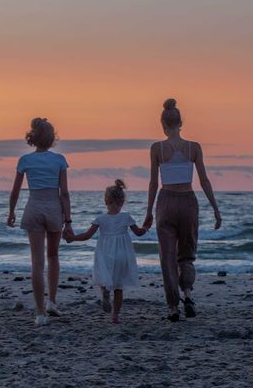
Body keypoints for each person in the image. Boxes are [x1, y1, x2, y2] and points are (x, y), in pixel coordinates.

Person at [142, 98, 222, 322]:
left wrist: (148, 212)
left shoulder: (157, 148)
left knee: (167, 258)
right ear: (181, 123)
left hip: (166, 202)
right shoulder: (193, 147)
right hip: (188, 202)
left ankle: (172, 308)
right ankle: (187, 294)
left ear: (163, 125)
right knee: (186, 255)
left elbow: (152, 183)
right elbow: (204, 180)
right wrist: (215, 208)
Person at [7, 117, 73, 326]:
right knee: (53, 256)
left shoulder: (25, 161)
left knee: (37, 262)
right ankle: (52, 301)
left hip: (34, 207)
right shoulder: (59, 160)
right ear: (52, 138)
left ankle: (41, 313)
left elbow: (15, 191)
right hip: (53, 208)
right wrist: (68, 220)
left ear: (32, 138)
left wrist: (11, 212)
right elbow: (65, 193)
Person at [65, 179, 146, 324]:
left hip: (105, 253)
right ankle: (115, 316)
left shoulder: (100, 219)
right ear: (122, 202)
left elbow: (87, 235)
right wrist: (146, 225)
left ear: (105, 201)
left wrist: (72, 238)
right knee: (119, 287)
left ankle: (104, 292)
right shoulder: (126, 217)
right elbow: (139, 233)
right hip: (122, 254)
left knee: (103, 276)